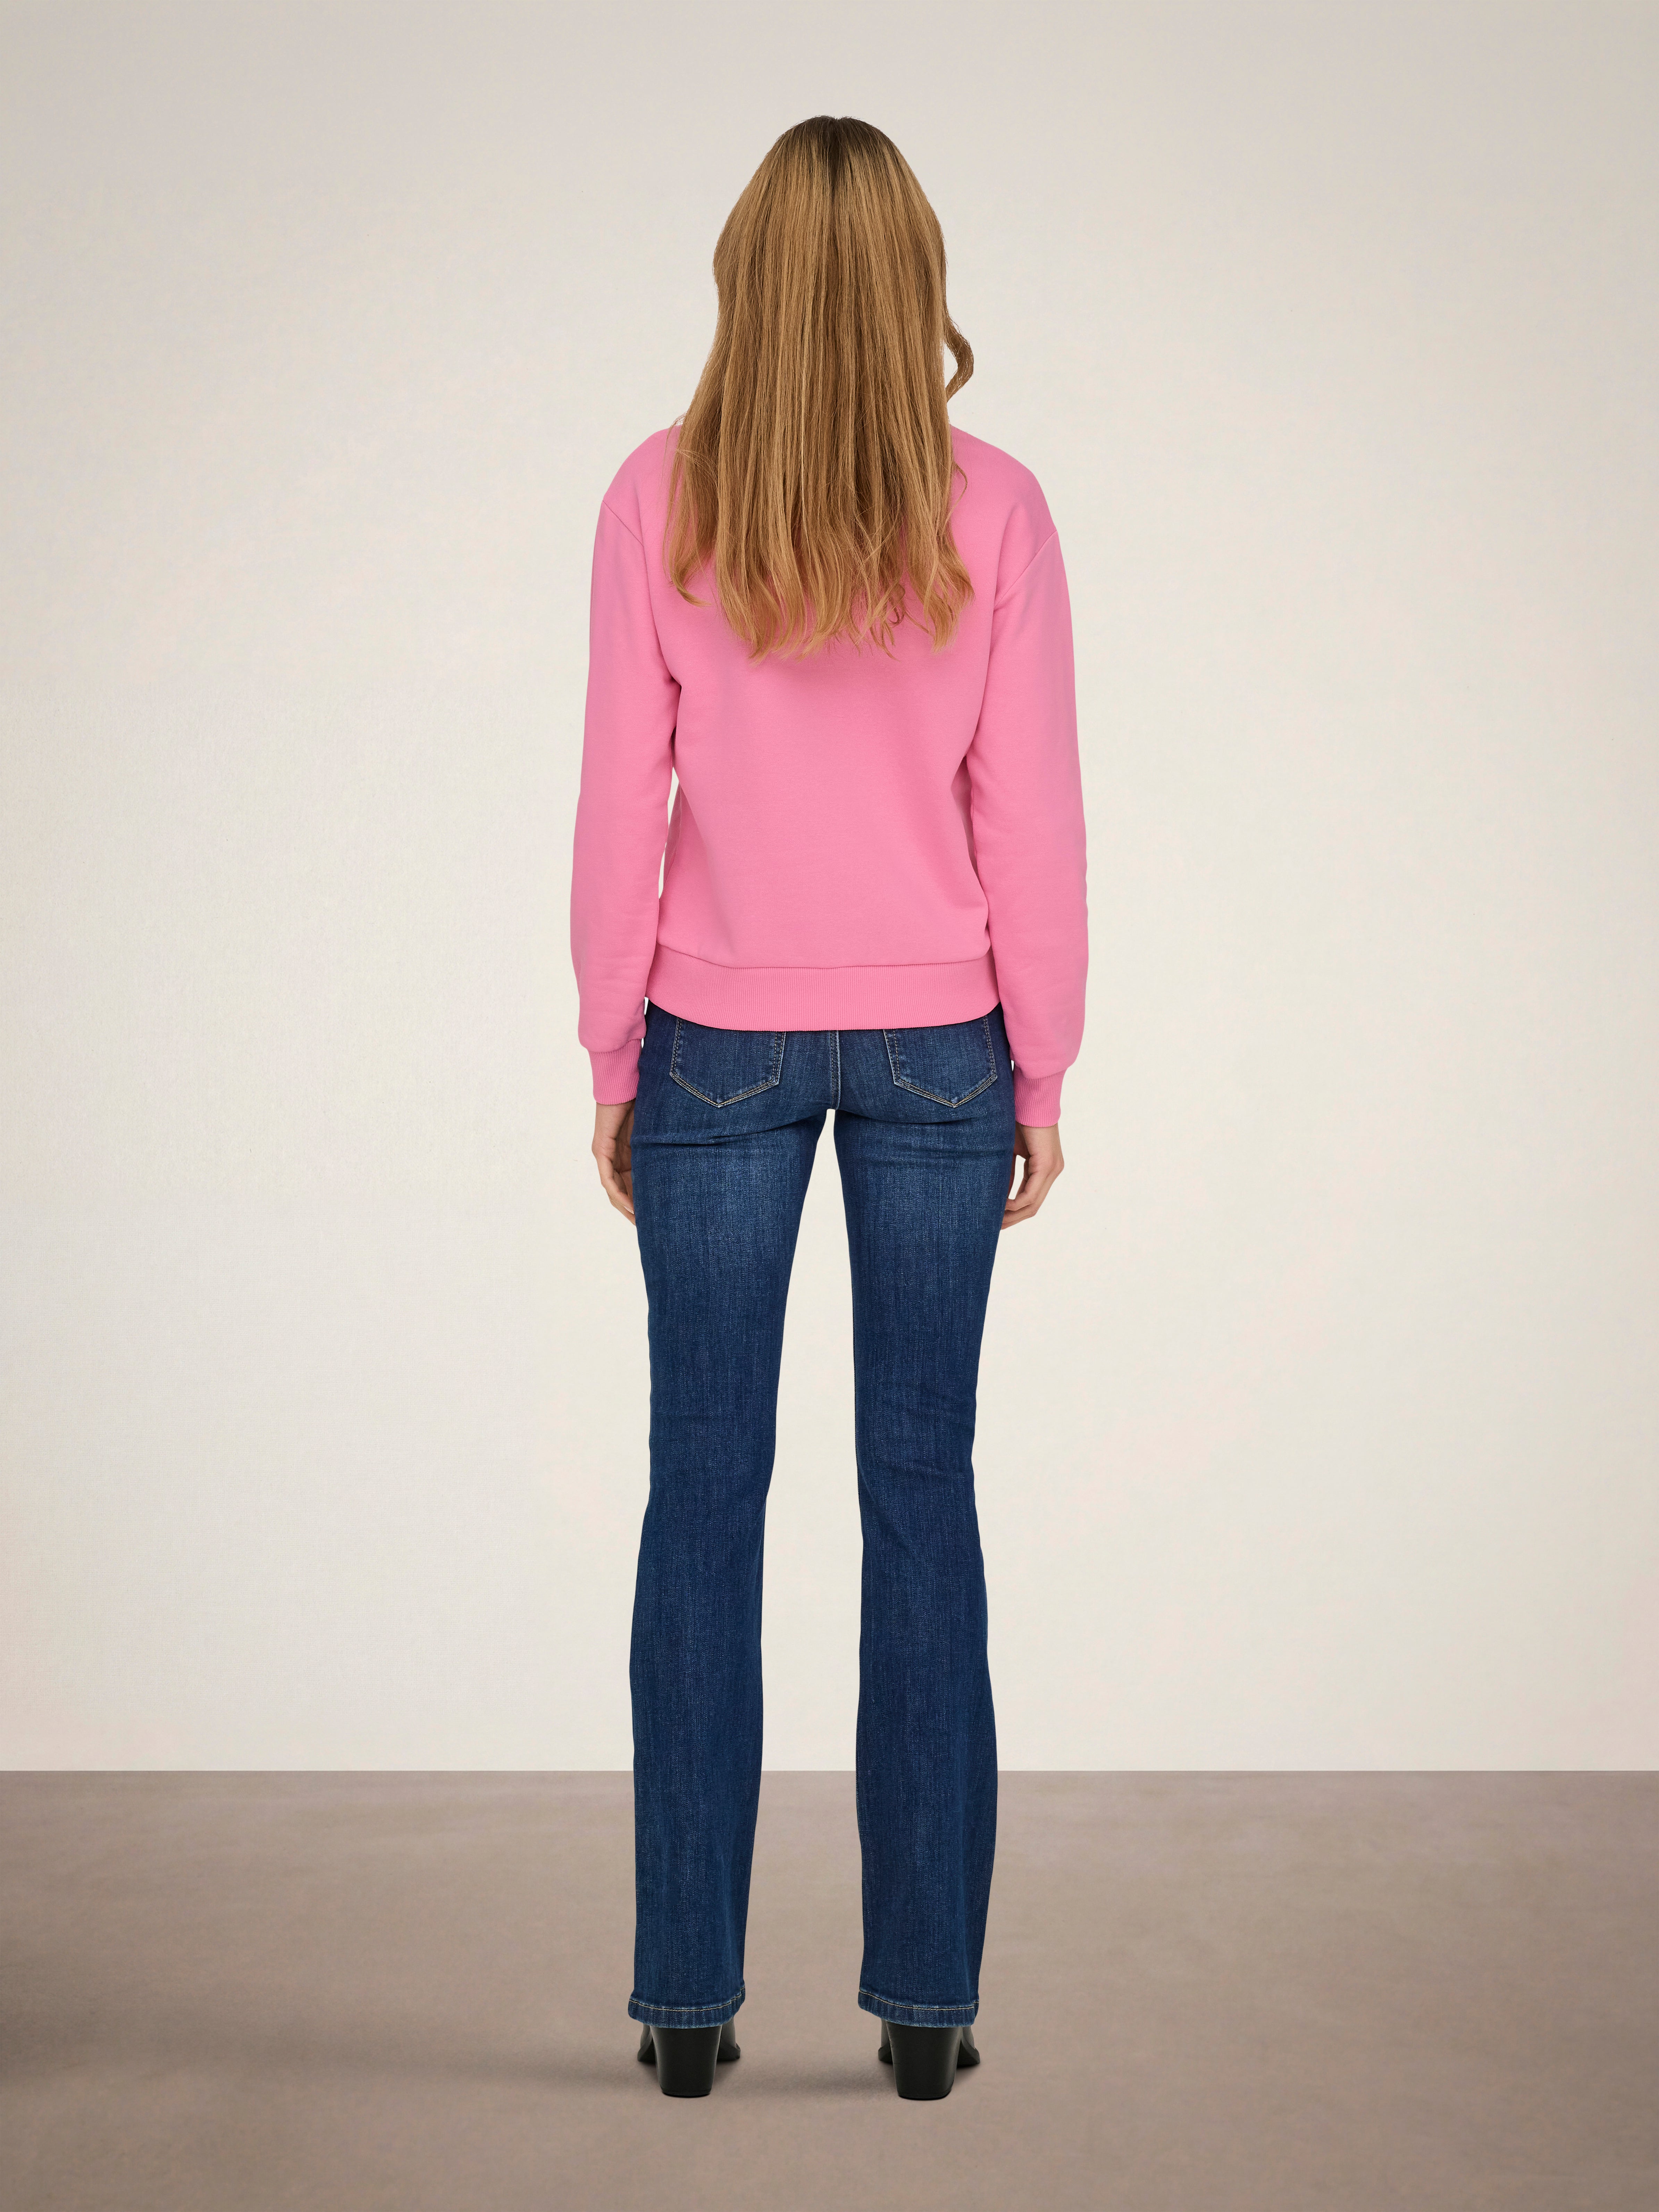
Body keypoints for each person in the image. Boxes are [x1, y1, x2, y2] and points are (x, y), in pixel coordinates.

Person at [569, 114, 1088, 2102]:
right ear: (915, 289)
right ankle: (927, 2005)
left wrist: (612, 1052)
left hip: (715, 1035)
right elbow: (1027, 816)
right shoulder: (998, 508)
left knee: (703, 1495)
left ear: (747, 277)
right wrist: (1042, 1060)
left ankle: (687, 2001)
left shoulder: (658, 497)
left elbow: (619, 807)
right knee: (919, 1494)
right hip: (943, 1039)